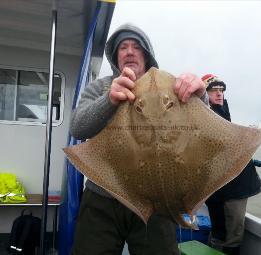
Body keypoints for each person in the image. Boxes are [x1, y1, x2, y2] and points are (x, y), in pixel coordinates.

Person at [70, 23, 209, 255]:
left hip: (156, 199)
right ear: (116, 56)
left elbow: (203, 126)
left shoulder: (172, 87)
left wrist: (201, 95)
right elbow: (78, 128)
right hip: (104, 194)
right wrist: (109, 99)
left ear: (147, 54)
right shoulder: (101, 87)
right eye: (123, 47)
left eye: (137, 47)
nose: (130, 51)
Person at [202, 74, 261, 255]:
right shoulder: (207, 115)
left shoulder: (222, 112)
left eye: (221, 90)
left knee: (223, 231)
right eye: (213, 90)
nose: (219, 94)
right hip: (226, 189)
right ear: (204, 94)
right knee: (230, 234)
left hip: (230, 186)